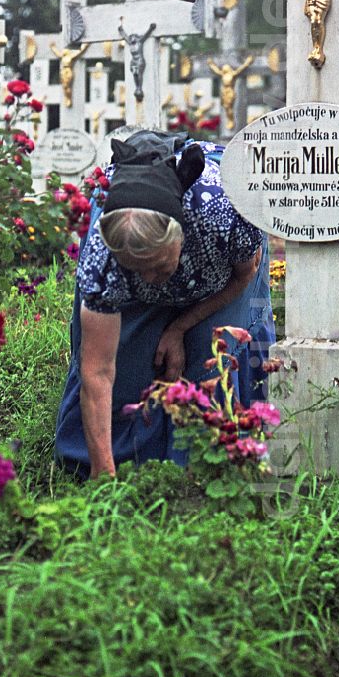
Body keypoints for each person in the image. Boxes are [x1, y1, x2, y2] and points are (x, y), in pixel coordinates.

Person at [55, 132, 274, 479]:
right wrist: (103, 476)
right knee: (128, 370)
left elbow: (242, 277)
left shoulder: (224, 215)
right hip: (143, 239)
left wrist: (179, 327)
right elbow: (97, 372)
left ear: (181, 237)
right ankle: (114, 465)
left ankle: (207, 472)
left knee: (210, 359)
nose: (152, 279)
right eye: (137, 270)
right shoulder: (102, 258)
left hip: (220, 279)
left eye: (159, 266)